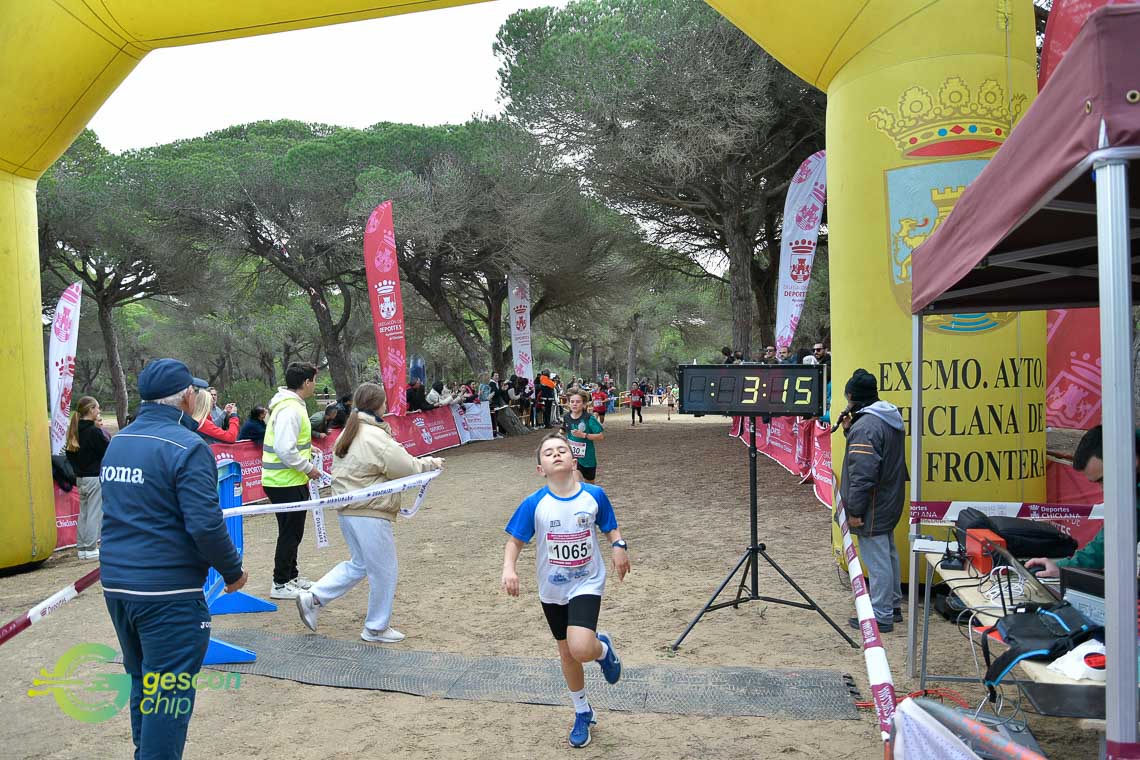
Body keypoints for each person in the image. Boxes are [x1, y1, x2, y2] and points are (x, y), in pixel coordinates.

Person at [100, 358, 247, 760]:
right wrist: (232, 571)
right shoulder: (188, 446)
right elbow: (205, 524)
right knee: (167, 695)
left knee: (143, 681)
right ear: (186, 397)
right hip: (167, 592)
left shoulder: (121, 441)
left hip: (120, 585)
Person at [501, 433, 630, 748]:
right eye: (548, 453)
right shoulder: (534, 503)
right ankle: (582, 710)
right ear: (540, 469)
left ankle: (601, 650)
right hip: (552, 588)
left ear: (574, 461)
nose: (556, 454)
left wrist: (619, 546)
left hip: (587, 581)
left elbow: (610, 526)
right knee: (567, 652)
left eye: (562, 450)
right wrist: (509, 568)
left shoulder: (594, 495)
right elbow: (515, 541)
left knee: (581, 648)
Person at [296, 382, 444, 643]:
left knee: (361, 564)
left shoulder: (349, 432)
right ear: (378, 405)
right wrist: (431, 464)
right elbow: (406, 467)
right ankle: (376, 627)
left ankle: (314, 597)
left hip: (349, 509)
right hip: (369, 511)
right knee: (384, 570)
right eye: (384, 402)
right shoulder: (375, 436)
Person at [840, 368, 907, 633]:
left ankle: (881, 615)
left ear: (852, 397)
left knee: (877, 560)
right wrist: (850, 431)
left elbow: (862, 473)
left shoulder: (866, 427)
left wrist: (855, 511)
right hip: (888, 498)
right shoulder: (887, 417)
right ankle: (892, 605)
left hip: (873, 504)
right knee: (888, 553)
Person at [1027, 425, 1140, 578]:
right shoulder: (1130, 482)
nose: (1104, 489)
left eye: (1104, 479)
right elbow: (1111, 541)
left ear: (1132, 459)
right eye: (1098, 482)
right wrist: (1062, 568)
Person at [263, 362, 321, 600]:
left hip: (287, 480)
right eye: (314, 380)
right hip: (284, 482)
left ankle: (291, 576)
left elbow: (289, 442)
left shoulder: (290, 405)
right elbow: (284, 448)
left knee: (293, 532)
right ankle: (280, 583)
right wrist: (308, 468)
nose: (315, 385)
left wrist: (309, 449)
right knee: (290, 533)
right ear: (306, 382)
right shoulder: (290, 409)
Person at [65, 395, 109, 560]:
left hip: (81, 479)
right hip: (94, 478)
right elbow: (107, 451)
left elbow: (70, 455)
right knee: (94, 513)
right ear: (91, 410)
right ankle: (91, 547)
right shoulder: (94, 432)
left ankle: (82, 547)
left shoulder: (75, 431)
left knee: (83, 513)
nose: (99, 410)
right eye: (97, 407)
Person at [561, 390, 606, 483]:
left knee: (589, 485)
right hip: (572, 458)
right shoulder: (566, 417)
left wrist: (584, 435)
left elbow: (601, 436)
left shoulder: (589, 418)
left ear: (584, 404)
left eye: (578, 402)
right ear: (568, 403)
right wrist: (558, 435)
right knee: (575, 481)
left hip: (587, 459)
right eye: (572, 401)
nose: (574, 404)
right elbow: (565, 428)